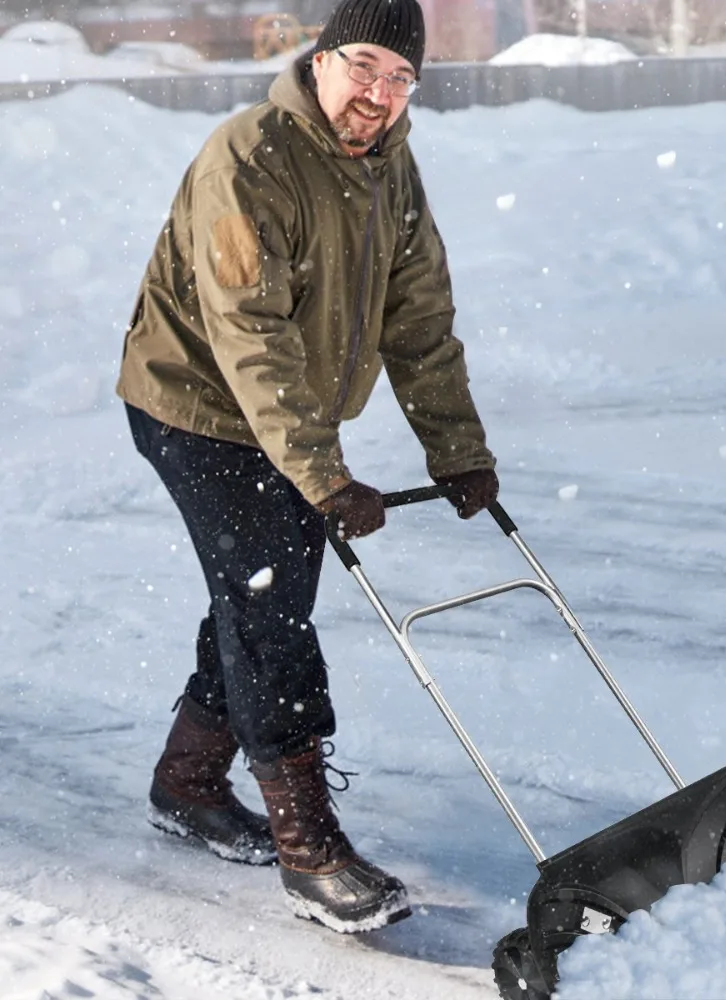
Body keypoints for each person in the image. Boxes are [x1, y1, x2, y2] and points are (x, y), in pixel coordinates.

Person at [115, 0, 498, 935]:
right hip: (197, 409)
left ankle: (190, 779)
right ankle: (309, 849)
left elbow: (419, 320)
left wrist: (458, 450)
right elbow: (252, 336)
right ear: (321, 60)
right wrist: (323, 474)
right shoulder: (250, 158)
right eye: (364, 66)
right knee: (269, 604)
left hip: (283, 423)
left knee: (263, 595)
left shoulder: (390, 169)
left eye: (401, 77)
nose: (379, 93)